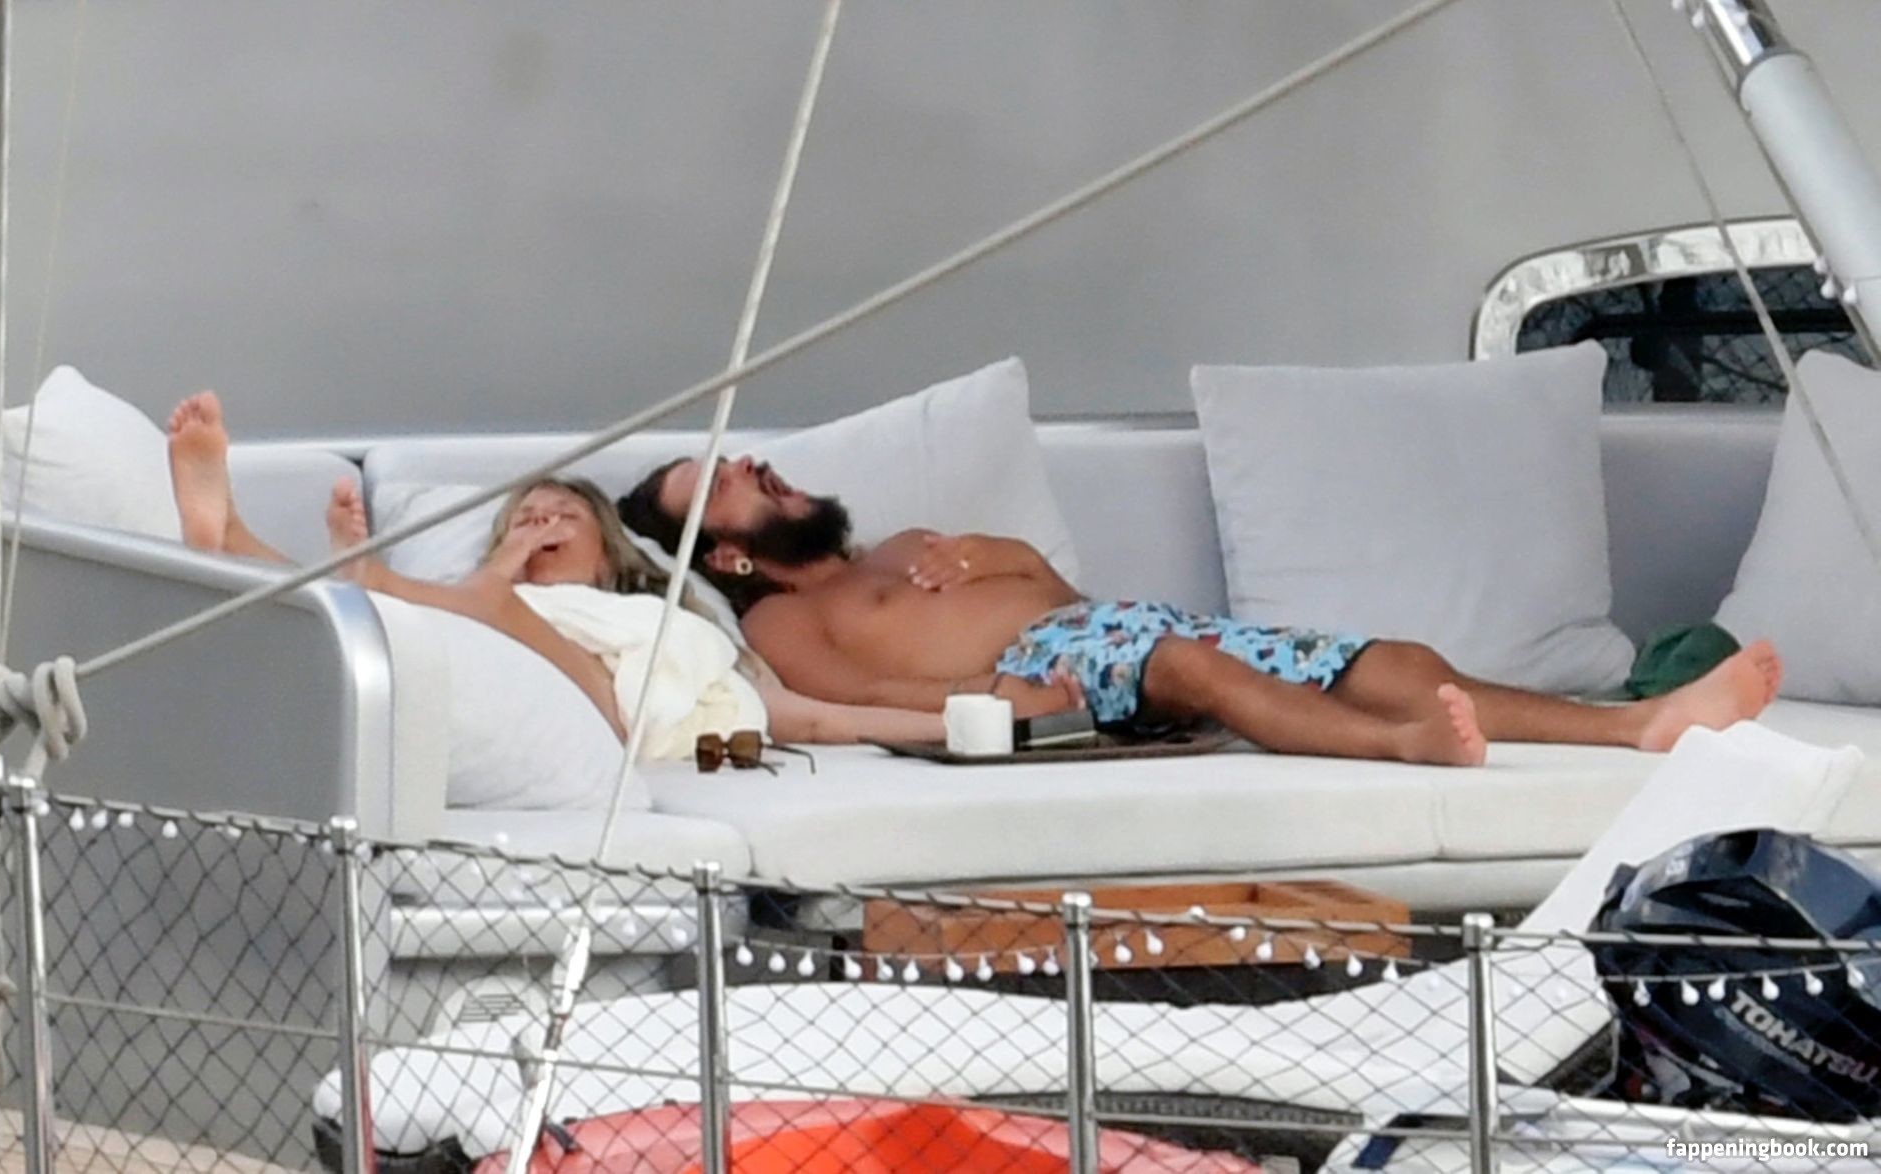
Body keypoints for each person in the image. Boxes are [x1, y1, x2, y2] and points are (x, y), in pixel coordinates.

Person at [617, 454, 1786, 768]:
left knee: (1392, 652)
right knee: (1189, 665)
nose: (754, 464)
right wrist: (991, 702)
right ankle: (1406, 746)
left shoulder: (910, 543)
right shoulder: (779, 625)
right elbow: (856, 695)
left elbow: (1062, 595)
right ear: (727, 553)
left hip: (1112, 626)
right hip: (1053, 682)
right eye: (725, 481)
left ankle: (1638, 724)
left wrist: (1001, 554)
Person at [163, 393, 947, 751]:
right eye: (526, 520)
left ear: (608, 552)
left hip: (612, 712)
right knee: (385, 619)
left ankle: (250, 542)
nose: (543, 525)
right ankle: (228, 534)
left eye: (562, 518)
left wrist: (959, 728)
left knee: (395, 607)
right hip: (479, 640)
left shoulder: (665, 622)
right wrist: (503, 582)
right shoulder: (485, 607)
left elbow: (816, 719)